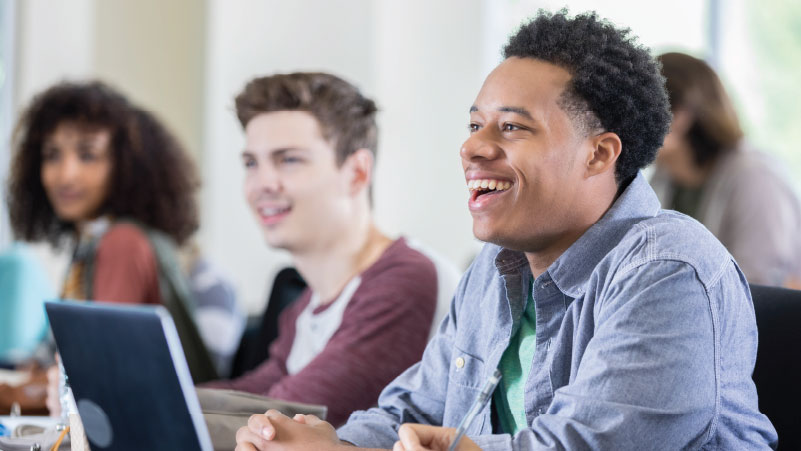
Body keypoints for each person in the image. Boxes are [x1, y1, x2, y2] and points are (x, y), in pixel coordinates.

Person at [235, 10, 777, 451]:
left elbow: (583, 447)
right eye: (474, 125)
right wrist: (328, 445)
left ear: (599, 154)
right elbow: (411, 410)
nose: (472, 146)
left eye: (512, 127)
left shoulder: (667, 270)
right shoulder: (492, 273)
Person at [203, 72, 448, 427]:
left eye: (289, 160)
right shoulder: (309, 305)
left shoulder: (404, 280)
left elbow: (287, 422)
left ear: (357, 172)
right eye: (251, 163)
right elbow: (250, 394)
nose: (262, 184)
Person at [6, 81, 217, 396]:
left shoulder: (122, 243)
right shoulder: (91, 242)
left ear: (126, 164)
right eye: (52, 155)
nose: (66, 174)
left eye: (87, 155)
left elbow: (100, 380)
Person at [650, 52, 801, 287]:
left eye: (639, 111)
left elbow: (759, 284)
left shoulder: (754, 176)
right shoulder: (663, 176)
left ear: (680, 116)